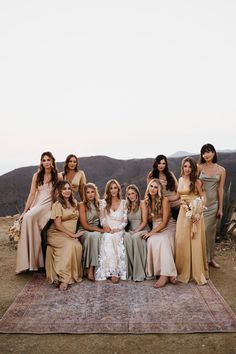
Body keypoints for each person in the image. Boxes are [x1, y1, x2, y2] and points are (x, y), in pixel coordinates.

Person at [16, 152, 62, 274]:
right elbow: (32, 194)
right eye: (44, 160)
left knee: (30, 218)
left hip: (49, 205)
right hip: (38, 204)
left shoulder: (58, 176)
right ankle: (28, 262)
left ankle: (37, 262)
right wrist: (25, 211)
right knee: (27, 217)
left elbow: (61, 193)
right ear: (41, 162)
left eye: (48, 160)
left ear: (52, 161)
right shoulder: (37, 176)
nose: (46, 162)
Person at [46, 180, 85, 291]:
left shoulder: (74, 202)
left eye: (68, 188)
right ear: (59, 191)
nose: (67, 191)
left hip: (69, 234)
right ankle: (64, 279)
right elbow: (58, 225)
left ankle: (65, 275)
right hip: (57, 233)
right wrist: (73, 235)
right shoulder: (57, 204)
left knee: (77, 246)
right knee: (71, 245)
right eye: (64, 189)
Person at [175, 157, 209, 285]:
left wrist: (198, 211)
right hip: (183, 213)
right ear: (182, 167)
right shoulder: (180, 180)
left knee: (194, 241)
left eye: (190, 167)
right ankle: (183, 270)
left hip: (195, 213)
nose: (187, 169)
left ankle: (196, 272)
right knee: (181, 240)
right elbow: (178, 197)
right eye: (185, 166)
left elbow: (203, 196)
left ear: (193, 168)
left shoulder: (197, 182)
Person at [142, 179, 177, 288]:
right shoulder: (146, 202)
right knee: (152, 240)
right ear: (148, 188)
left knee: (163, 239)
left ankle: (164, 275)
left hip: (168, 227)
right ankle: (169, 273)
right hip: (155, 227)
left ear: (159, 189)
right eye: (151, 186)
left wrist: (151, 233)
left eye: (156, 187)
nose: (153, 189)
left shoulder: (164, 200)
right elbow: (145, 219)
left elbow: (165, 222)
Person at [198, 144, 226, 268]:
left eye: (208, 152)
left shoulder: (221, 170)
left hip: (213, 205)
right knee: (201, 232)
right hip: (200, 205)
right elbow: (192, 184)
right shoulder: (199, 167)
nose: (206, 155)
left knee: (210, 232)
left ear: (214, 153)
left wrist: (220, 208)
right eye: (204, 153)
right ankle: (202, 258)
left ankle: (211, 258)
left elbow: (221, 189)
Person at [95, 179, 127, 283]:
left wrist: (118, 229)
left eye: (115, 188)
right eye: (111, 188)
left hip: (119, 228)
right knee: (108, 237)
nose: (113, 190)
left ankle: (116, 272)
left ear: (118, 189)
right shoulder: (103, 203)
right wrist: (106, 228)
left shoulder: (124, 203)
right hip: (108, 228)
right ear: (108, 190)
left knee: (116, 237)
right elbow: (102, 219)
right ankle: (109, 270)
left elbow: (125, 221)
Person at [79, 183, 111, 281]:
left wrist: (108, 228)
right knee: (94, 236)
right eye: (88, 192)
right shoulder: (82, 205)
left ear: (95, 192)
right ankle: (90, 269)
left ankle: (106, 269)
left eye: (92, 192)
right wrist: (101, 230)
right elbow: (85, 225)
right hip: (85, 230)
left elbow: (105, 218)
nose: (90, 194)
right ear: (85, 194)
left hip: (96, 230)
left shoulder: (99, 204)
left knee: (104, 237)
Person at [124, 184, 149, 282]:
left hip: (142, 229)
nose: (131, 196)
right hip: (131, 230)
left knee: (135, 238)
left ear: (137, 194)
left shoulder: (142, 204)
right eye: (129, 194)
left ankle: (139, 272)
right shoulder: (127, 205)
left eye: (133, 193)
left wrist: (136, 231)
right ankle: (130, 271)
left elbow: (145, 221)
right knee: (126, 237)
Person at [147, 154, 180, 220]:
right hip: (163, 204)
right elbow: (150, 192)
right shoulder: (151, 175)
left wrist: (177, 197)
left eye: (163, 163)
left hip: (176, 202)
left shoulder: (170, 174)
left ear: (166, 164)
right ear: (156, 164)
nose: (161, 165)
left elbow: (178, 188)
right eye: (159, 163)